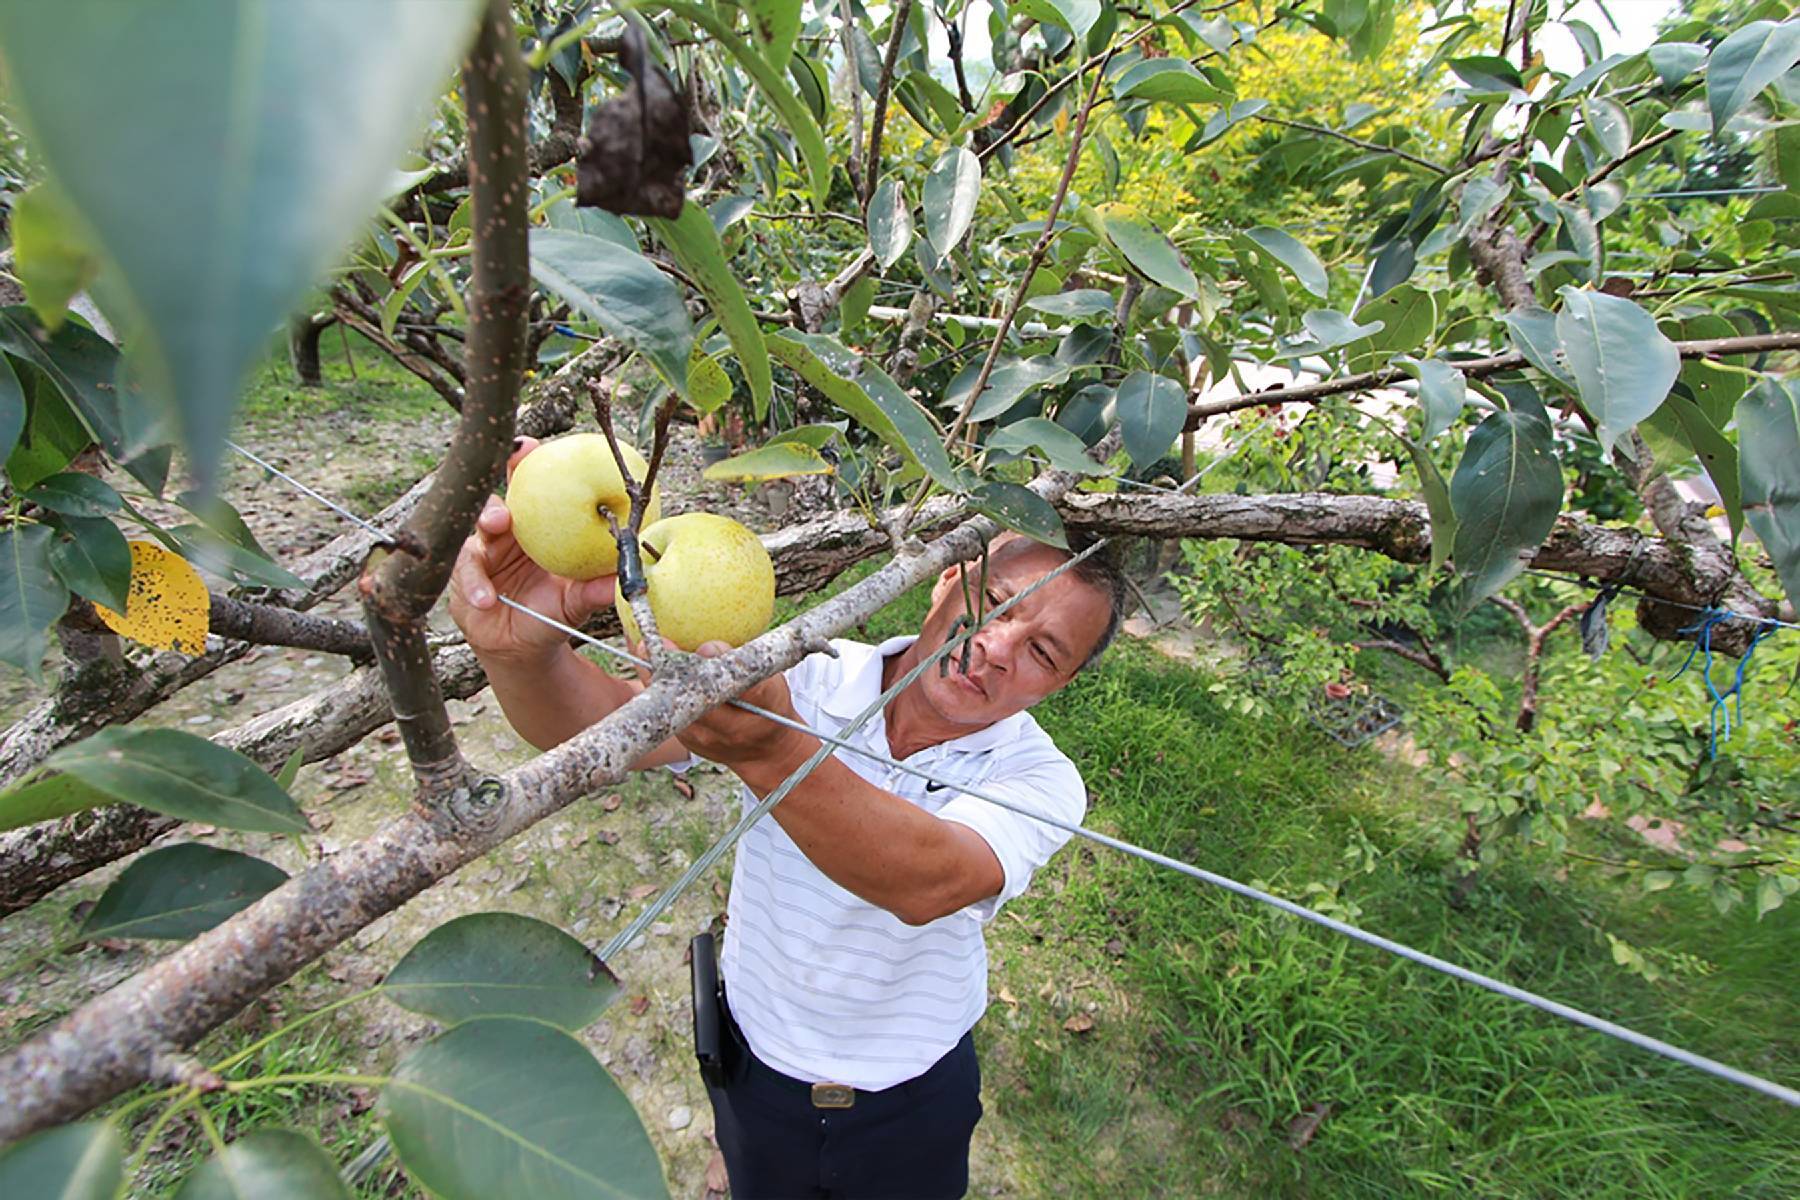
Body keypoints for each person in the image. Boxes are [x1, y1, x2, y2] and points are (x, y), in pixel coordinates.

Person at [450, 438, 1126, 1200]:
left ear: (1060, 685)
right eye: (994, 602)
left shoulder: (1040, 779)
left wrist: (772, 753)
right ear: (943, 580)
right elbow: (603, 728)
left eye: (1042, 651)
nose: (996, 646)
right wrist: (519, 654)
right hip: (755, 1067)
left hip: (912, 1093)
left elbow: (931, 880)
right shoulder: (808, 672)